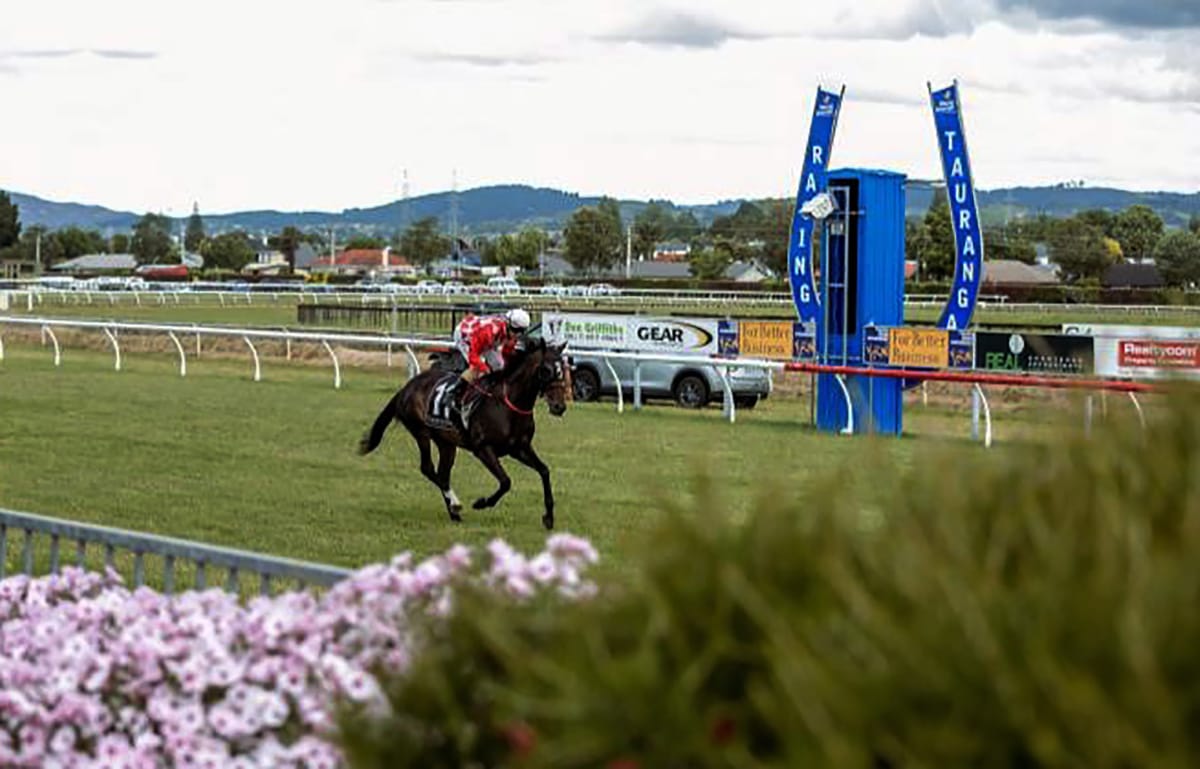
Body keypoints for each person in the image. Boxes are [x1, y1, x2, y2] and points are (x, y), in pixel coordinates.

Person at [446, 308, 531, 419]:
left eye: (522, 331)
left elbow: (507, 352)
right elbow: (473, 356)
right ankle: (455, 393)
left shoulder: (508, 330)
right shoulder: (489, 331)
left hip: (486, 337)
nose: (518, 335)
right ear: (509, 325)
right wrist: (484, 368)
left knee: (499, 365)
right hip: (465, 335)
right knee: (478, 369)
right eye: (516, 331)